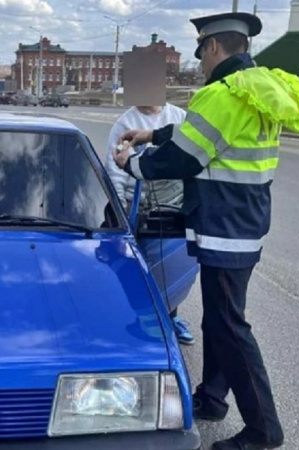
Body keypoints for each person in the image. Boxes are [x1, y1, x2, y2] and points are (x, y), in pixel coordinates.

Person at [111, 11, 299, 450]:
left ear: (212, 47)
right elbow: (205, 134)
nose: (202, 63)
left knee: (229, 326)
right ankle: (212, 398)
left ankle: (264, 430)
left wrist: (132, 162)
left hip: (224, 226)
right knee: (221, 321)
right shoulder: (255, 89)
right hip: (243, 221)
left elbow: (184, 158)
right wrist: (153, 134)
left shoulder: (222, 94)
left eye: (202, 53)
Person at [105, 103, 196, 346]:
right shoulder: (125, 123)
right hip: (137, 208)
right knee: (135, 267)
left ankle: (170, 317)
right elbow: (115, 172)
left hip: (173, 206)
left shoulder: (179, 117)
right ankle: (138, 317)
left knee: (170, 265)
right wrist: (120, 214)